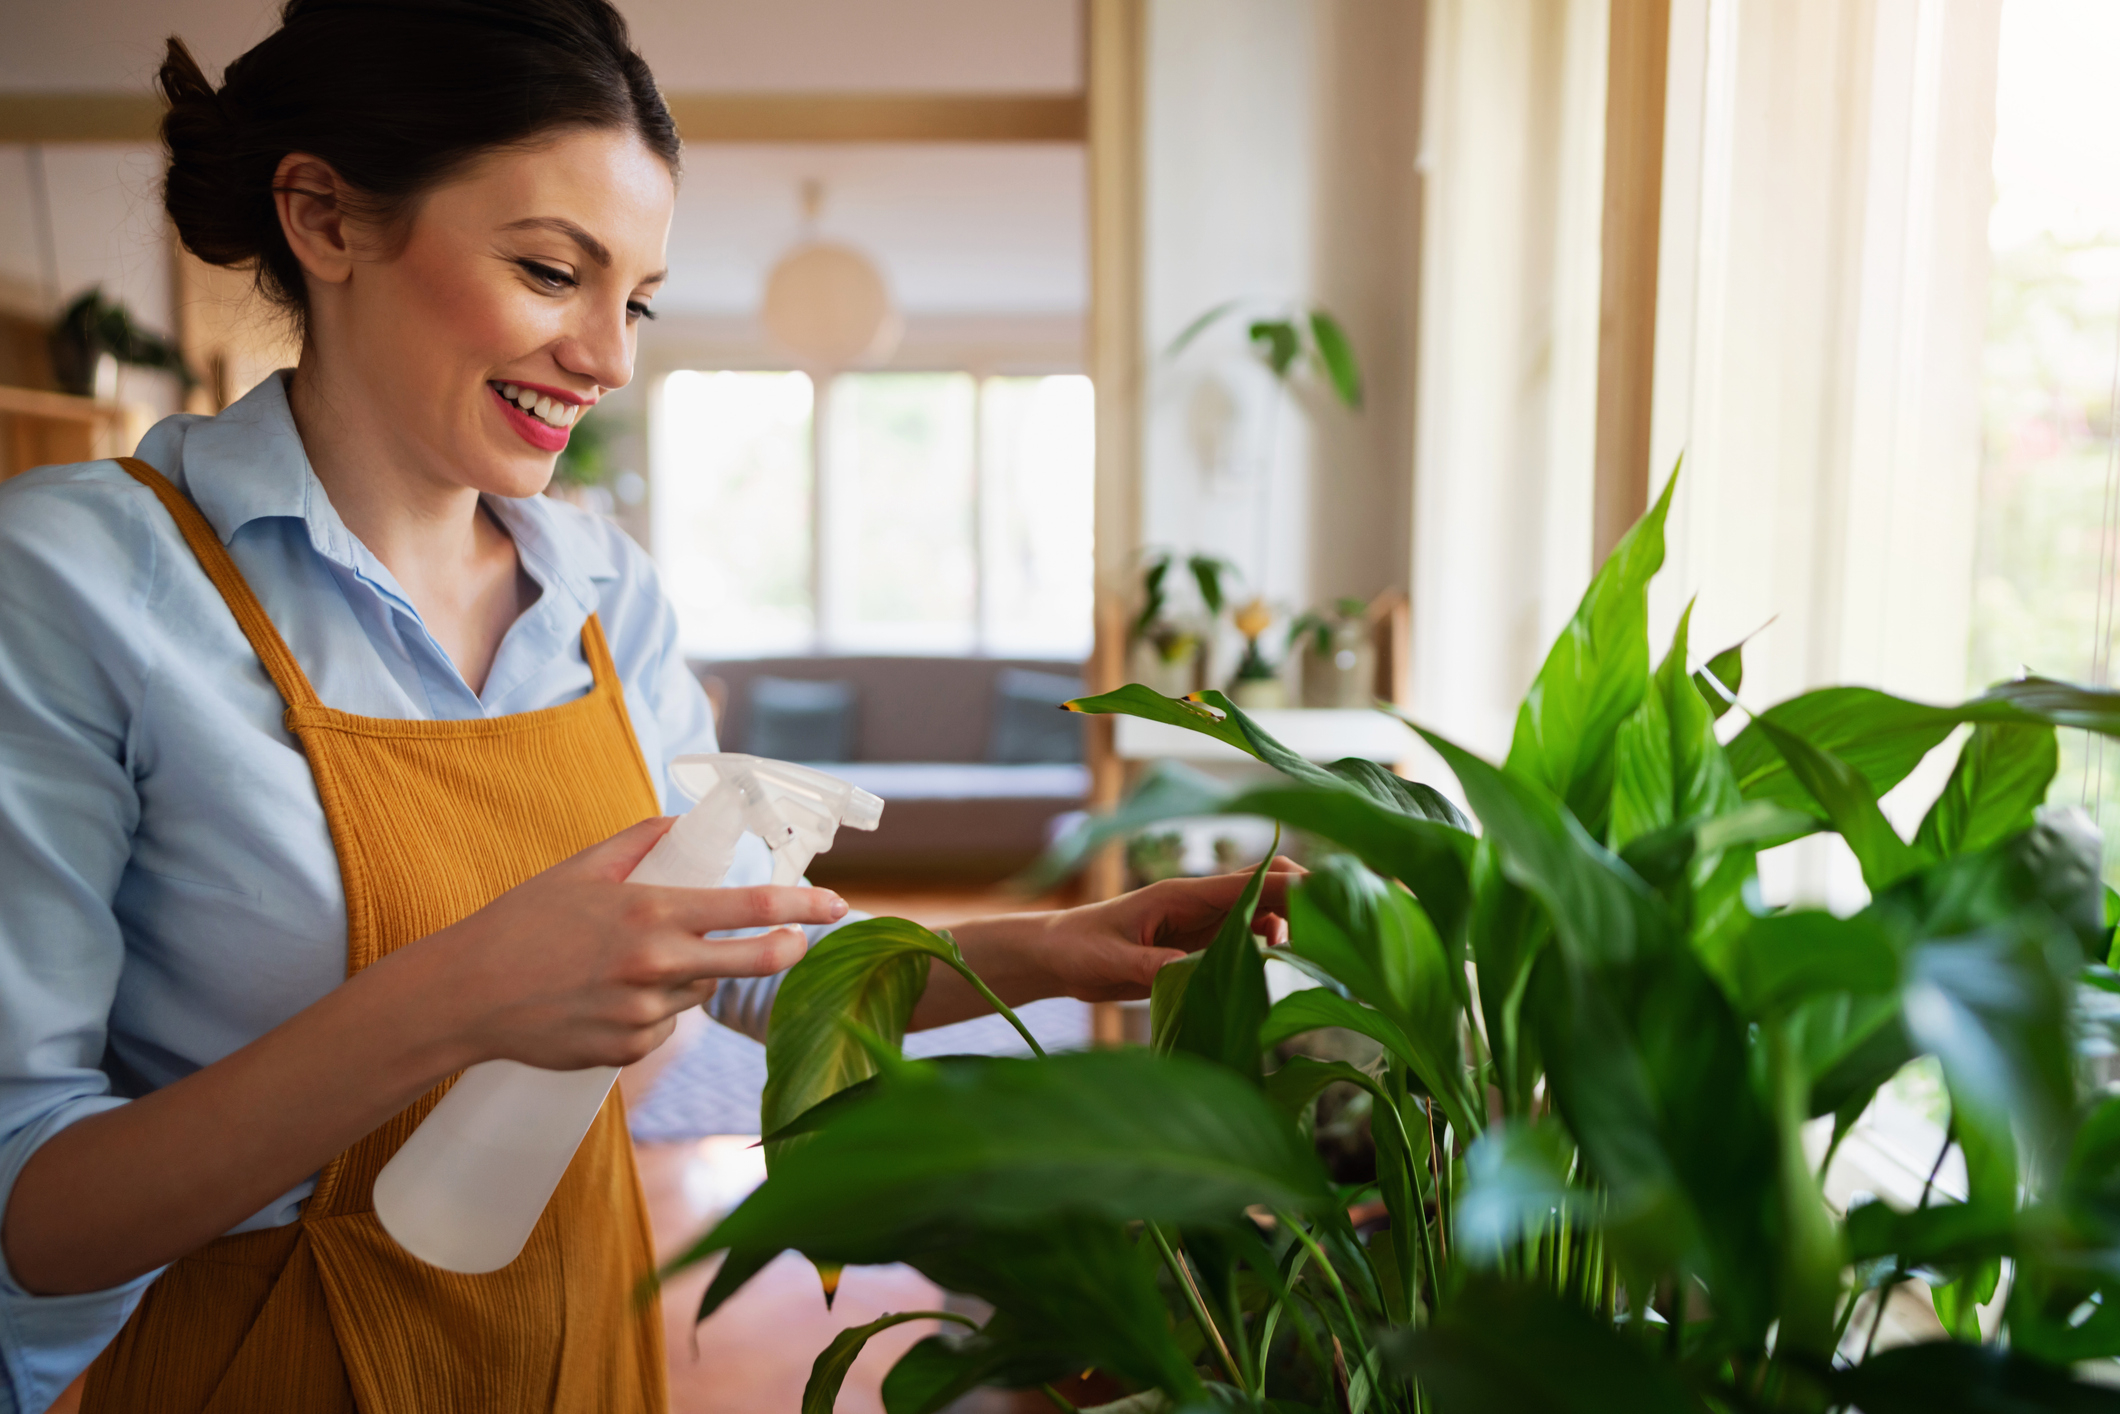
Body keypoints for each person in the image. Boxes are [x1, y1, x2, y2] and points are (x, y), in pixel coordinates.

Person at [0, 4, 1294, 1410]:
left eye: (639, 299)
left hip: (578, 1352)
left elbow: (731, 950)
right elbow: (39, 1216)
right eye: (554, 271)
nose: (608, 358)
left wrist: (1041, 948)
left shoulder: (605, 590)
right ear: (322, 216)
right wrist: (464, 993)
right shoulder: (78, 579)